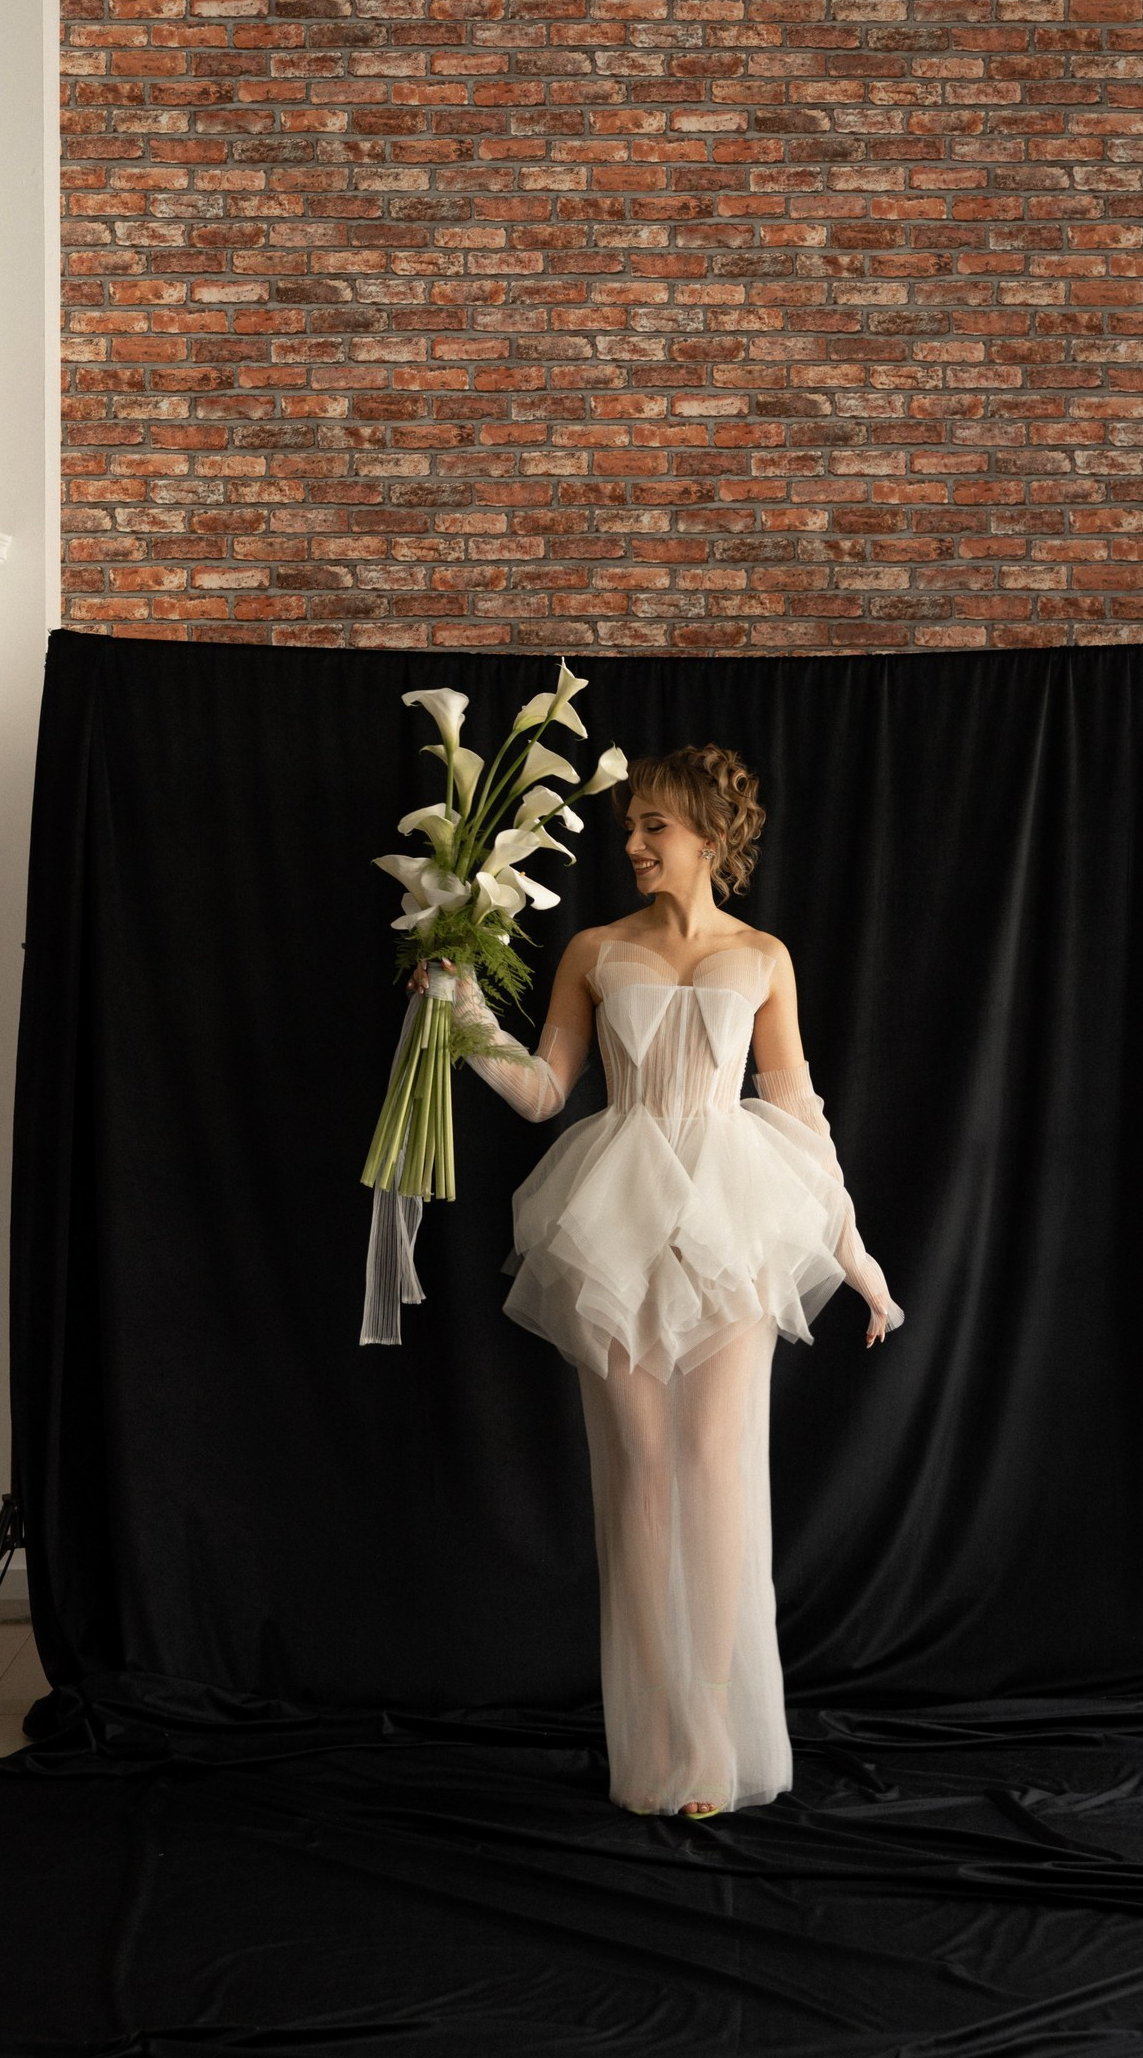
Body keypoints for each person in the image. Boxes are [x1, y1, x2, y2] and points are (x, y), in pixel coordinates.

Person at [410, 744, 903, 1821]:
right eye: (629, 824)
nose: (631, 843)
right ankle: (663, 1736)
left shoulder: (763, 957)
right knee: (639, 1473)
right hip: (619, 1214)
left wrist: (857, 1257)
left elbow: (800, 1114)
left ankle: (716, 1734)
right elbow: (545, 1093)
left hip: (734, 1215)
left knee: (719, 1468)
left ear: (711, 837)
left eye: (653, 827)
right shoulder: (594, 949)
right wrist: (463, 1010)